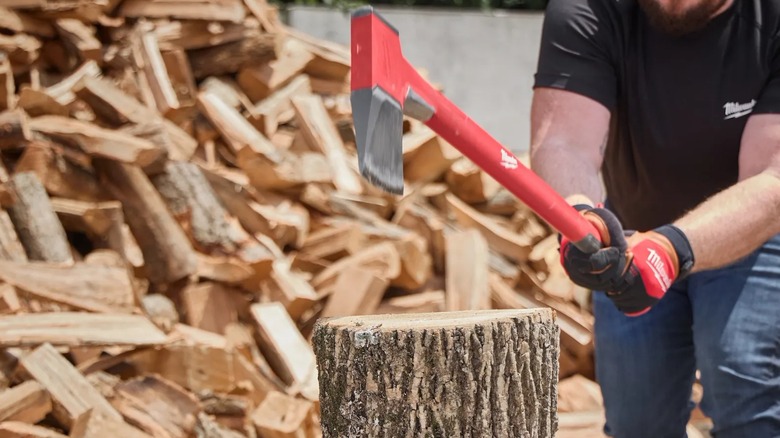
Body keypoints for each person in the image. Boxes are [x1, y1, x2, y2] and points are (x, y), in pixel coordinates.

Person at [529, 0, 780, 436]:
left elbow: (770, 179)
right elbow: (564, 142)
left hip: (754, 232)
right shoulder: (587, 9)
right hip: (628, 238)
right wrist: (582, 218)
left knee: (744, 386)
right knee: (637, 421)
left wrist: (670, 249)